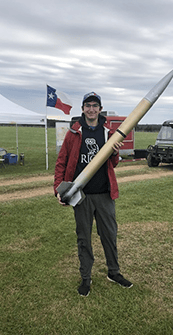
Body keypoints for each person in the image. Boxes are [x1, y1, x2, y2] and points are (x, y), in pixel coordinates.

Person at [54, 92, 133, 297]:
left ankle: (113, 272)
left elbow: (113, 164)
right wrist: (58, 189)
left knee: (110, 235)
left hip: (105, 194)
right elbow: (61, 161)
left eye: (95, 106)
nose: (91, 109)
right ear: (82, 109)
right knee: (84, 239)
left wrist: (115, 153)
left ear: (100, 109)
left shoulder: (109, 133)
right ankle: (86, 278)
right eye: (87, 105)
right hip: (82, 196)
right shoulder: (74, 133)